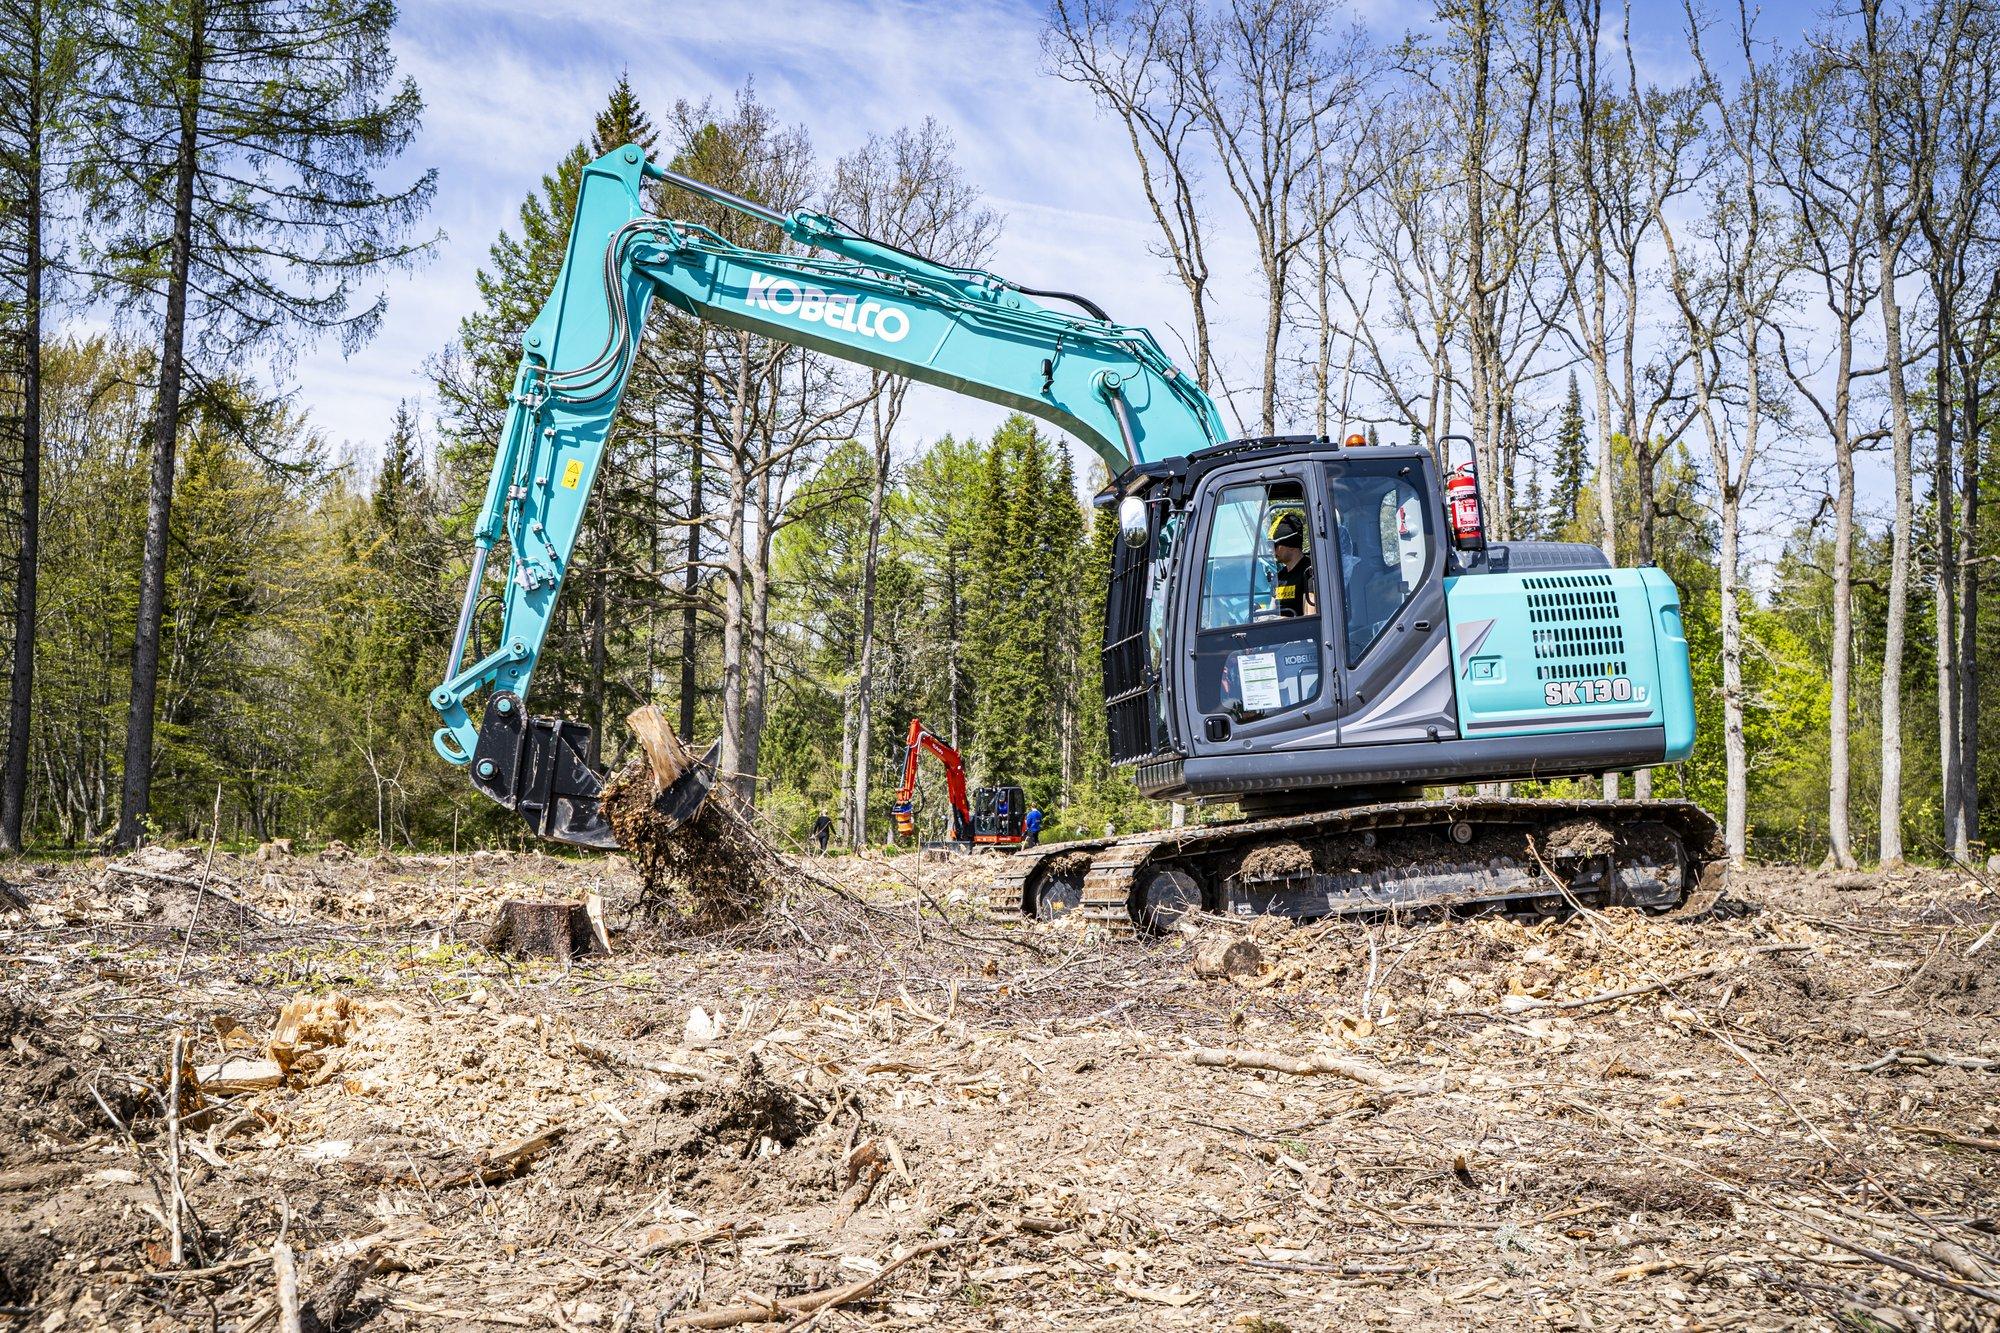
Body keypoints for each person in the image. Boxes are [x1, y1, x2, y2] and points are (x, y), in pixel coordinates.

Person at [1270, 513, 1316, 617]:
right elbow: (1271, 612)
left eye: (1275, 545)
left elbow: (1310, 616)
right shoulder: (1279, 577)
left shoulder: (1309, 572)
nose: (1271, 550)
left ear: (1291, 545)